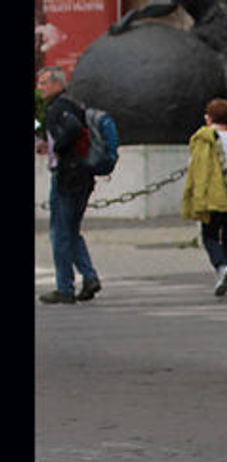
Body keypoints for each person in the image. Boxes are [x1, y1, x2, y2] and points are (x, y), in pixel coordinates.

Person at [36, 65, 101, 305]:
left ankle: (65, 287)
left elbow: (71, 129)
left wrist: (59, 148)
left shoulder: (59, 107)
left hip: (68, 176)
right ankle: (90, 276)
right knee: (71, 230)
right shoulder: (72, 104)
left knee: (60, 233)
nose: (39, 88)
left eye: (43, 83)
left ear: (57, 84)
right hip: (83, 175)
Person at [183, 98, 227, 296]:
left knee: (210, 235)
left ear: (208, 118)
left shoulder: (202, 139)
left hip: (212, 194)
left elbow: (194, 166)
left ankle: (221, 266)